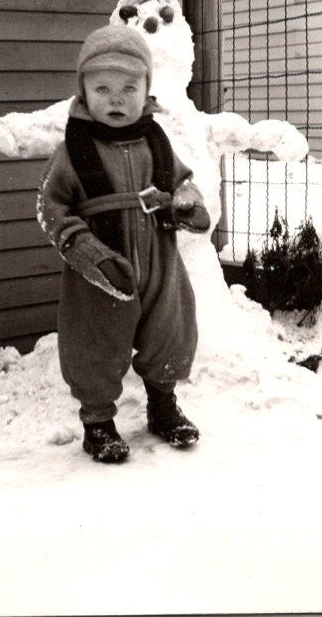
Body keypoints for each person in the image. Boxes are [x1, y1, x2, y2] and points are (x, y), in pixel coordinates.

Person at [37, 24, 211, 463]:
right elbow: (51, 207)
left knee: (168, 330)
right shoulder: (73, 150)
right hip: (102, 267)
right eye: (103, 88)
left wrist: (187, 201)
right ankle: (98, 423)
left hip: (159, 259)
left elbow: (182, 182)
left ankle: (163, 406)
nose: (116, 99)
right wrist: (86, 251)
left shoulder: (156, 140)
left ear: (146, 89)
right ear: (83, 91)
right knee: (95, 341)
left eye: (129, 88)